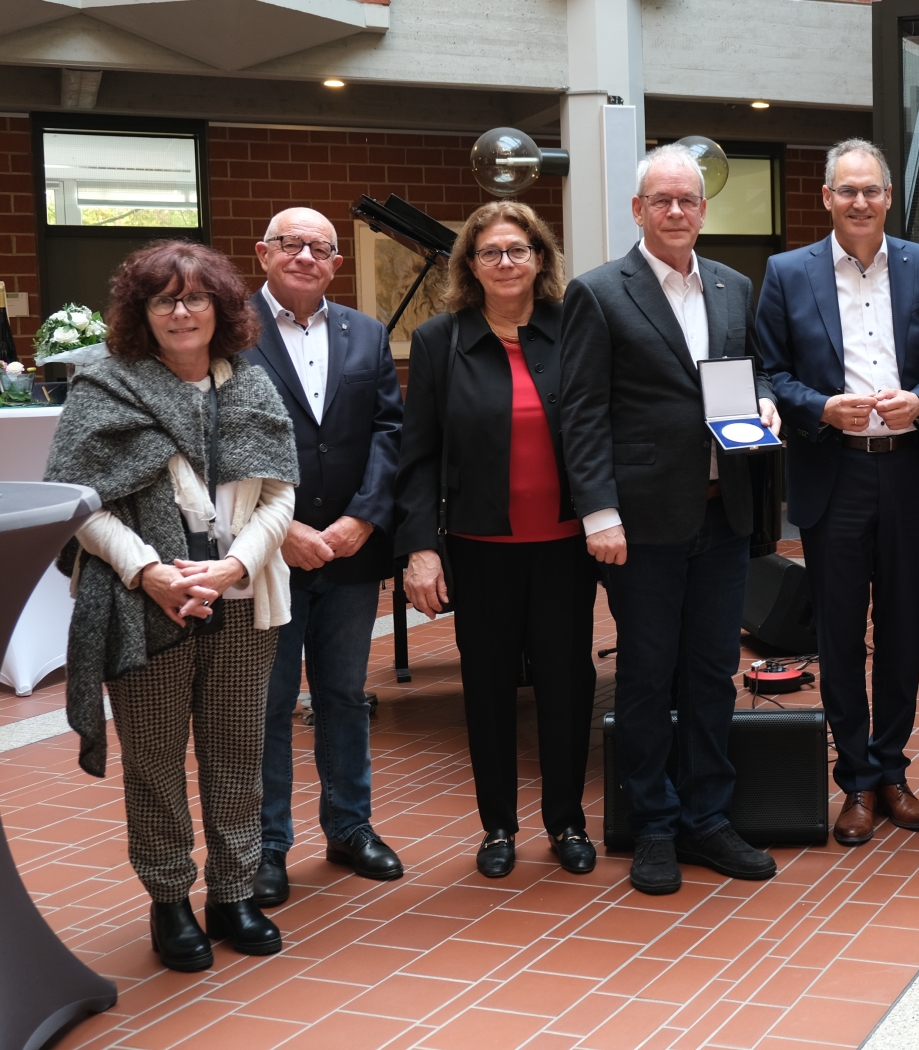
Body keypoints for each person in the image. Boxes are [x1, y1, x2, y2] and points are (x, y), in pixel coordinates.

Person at [45, 241, 299, 971]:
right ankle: (169, 900)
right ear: (141, 312)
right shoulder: (105, 386)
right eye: (164, 299)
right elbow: (79, 505)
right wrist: (150, 572)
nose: (182, 312)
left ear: (221, 307)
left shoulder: (250, 385)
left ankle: (234, 892)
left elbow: (282, 494)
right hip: (143, 606)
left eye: (196, 297)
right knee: (154, 762)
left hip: (244, 599)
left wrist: (235, 564)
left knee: (236, 755)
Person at [559, 143, 782, 895]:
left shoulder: (731, 286)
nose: (677, 212)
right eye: (663, 201)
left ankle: (708, 818)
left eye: (688, 201)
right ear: (638, 210)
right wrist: (598, 511)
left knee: (714, 673)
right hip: (642, 525)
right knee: (649, 678)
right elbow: (582, 413)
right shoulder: (598, 292)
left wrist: (763, 409)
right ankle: (653, 824)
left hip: (723, 517)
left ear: (703, 210)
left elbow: (735, 384)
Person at [756, 138, 919, 847]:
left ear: (885, 196)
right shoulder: (787, 273)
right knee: (840, 633)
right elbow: (768, 372)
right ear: (827, 198)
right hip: (833, 470)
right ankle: (856, 781)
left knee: (903, 627)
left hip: (908, 470)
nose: (861, 201)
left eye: (871, 189)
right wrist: (819, 407)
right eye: (847, 190)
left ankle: (894, 772)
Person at [397, 201, 601, 879]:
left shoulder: (574, 327)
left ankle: (566, 820)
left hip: (567, 543)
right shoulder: (438, 341)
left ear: (541, 258)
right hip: (481, 547)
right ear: (471, 265)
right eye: (491, 253)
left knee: (568, 685)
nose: (506, 263)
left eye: (519, 250)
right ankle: (498, 827)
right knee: (485, 690)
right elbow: (418, 455)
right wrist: (421, 546)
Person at [241, 207, 406, 908]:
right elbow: (224, 442)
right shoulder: (231, 332)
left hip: (348, 551)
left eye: (321, 247)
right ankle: (267, 847)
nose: (307, 255)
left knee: (342, 695)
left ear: (337, 262)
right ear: (263, 253)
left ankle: (349, 826)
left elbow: (389, 430)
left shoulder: (366, 333)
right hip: (265, 552)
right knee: (270, 703)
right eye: (292, 244)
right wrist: (277, 531)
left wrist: (364, 518)